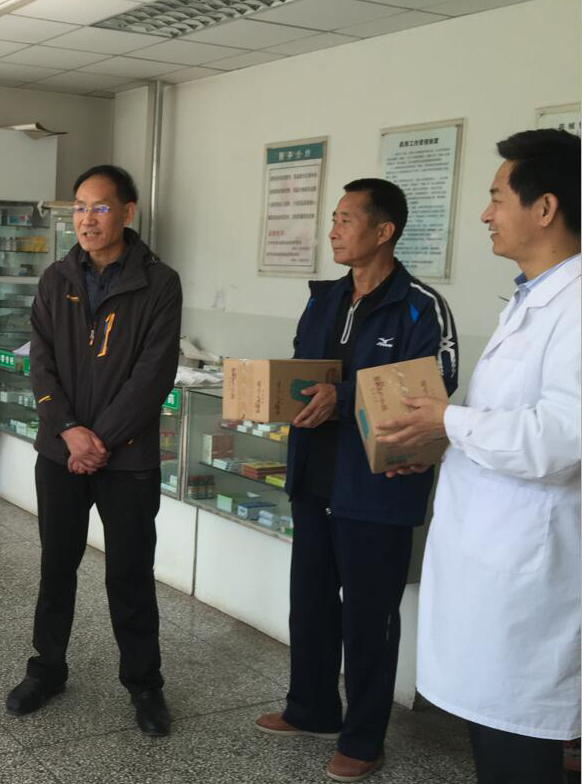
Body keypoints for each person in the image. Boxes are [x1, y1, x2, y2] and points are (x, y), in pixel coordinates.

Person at [377, 129, 580, 784]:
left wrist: (447, 420)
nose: (486, 214)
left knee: (518, 752)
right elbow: (502, 423)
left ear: (544, 208)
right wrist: (440, 444)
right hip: (491, 565)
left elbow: (562, 438)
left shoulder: (576, 305)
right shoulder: (532, 298)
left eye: (497, 197)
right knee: (497, 742)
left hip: (528, 576)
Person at [254, 178, 458, 783]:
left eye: (346, 219)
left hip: (377, 484)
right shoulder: (324, 298)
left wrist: (340, 398)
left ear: (383, 230)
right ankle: (311, 707)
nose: (334, 231)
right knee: (311, 605)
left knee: (369, 618)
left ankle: (364, 738)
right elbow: (304, 371)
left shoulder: (420, 306)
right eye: (334, 219)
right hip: (315, 475)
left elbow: (430, 393)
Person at [7, 165, 182, 737]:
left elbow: (153, 376)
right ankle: (47, 669)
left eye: (100, 207)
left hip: (127, 459)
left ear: (128, 212)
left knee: (130, 574)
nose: (87, 219)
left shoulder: (159, 284)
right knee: (56, 566)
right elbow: (41, 362)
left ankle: (145, 684)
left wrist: (98, 439)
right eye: (79, 207)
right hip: (61, 453)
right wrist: (68, 432)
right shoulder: (55, 278)